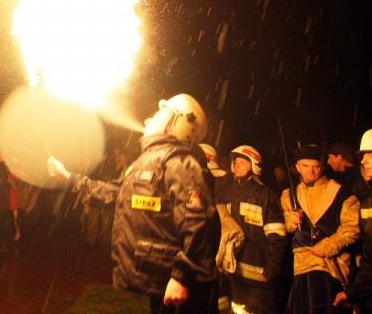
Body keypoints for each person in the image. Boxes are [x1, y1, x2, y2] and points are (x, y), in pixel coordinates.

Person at [48, 93, 220, 313]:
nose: (148, 119)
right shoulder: (144, 162)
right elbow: (113, 193)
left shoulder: (179, 162)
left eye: (159, 113)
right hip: (162, 282)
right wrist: (70, 179)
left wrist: (182, 277)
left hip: (181, 289)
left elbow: (201, 224)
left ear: (175, 123)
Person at [281, 143, 360, 313]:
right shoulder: (289, 195)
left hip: (330, 268)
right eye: (305, 166)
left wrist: (329, 245)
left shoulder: (342, 193)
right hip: (301, 268)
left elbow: (352, 228)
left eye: (315, 166)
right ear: (297, 167)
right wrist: (291, 220)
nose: (311, 171)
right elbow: (288, 226)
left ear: (322, 167)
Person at [216, 145, 286, 313]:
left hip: (260, 279)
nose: (237, 165)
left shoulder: (266, 195)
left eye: (243, 162)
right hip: (234, 274)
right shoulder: (227, 192)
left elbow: (277, 234)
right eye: (236, 162)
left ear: (255, 165)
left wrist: (273, 267)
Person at [334, 129, 372, 311]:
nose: (363, 161)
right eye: (362, 156)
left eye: (369, 155)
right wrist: (354, 292)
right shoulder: (367, 201)